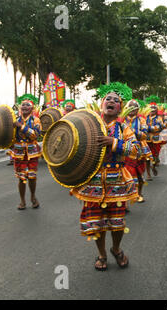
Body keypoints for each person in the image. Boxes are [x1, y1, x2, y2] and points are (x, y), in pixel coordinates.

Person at [70, 82, 142, 271]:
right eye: (108, 99)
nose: (111, 101)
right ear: (102, 104)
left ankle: (116, 249)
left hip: (116, 181)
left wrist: (114, 142)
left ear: (120, 107)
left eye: (116, 100)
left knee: (117, 223)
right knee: (96, 223)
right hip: (92, 181)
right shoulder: (90, 125)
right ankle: (102, 254)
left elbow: (136, 151)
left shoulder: (124, 128)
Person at [9, 94, 42, 210]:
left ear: (32, 108)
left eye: (28, 105)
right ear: (20, 107)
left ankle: (33, 197)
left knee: (32, 177)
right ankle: (22, 201)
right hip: (19, 153)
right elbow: (10, 137)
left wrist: (21, 127)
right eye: (23, 105)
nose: (24, 107)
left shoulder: (36, 120)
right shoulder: (15, 120)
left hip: (32, 153)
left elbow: (35, 135)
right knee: (22, 178)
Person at [123, 99, 152, 203]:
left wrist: (131, 131)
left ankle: (139, 193)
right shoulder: (121, 120)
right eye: (130, 106)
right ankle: (125, 200)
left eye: (134, 107)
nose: (132, 109)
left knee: (139, 174)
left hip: (139, 150)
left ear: (138, 109)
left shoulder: (141, 120)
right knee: (125, 175)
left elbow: (144, 135)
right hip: (124, 150)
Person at [145, 103, 164, 180]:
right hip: (147, 140)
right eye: (151, 110)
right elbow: (143, 127)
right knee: (147, 158)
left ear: (156, 111)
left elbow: (161, 126)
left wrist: (150, 128)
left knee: (156, 157)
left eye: (153, 110)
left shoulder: (158, 118)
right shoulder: (145, 118)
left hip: (156, 140)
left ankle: (153, 167)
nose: (152, 111)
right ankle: (148, 174)